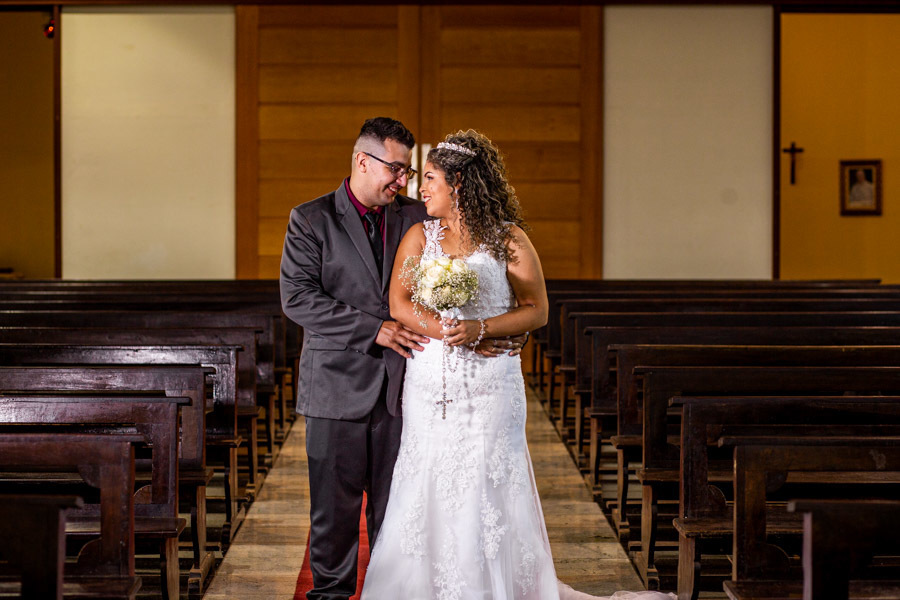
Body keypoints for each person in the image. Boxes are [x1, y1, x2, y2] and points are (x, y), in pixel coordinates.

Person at [359, 130, 673, 600]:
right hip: (432, 382)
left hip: (490, 383)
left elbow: (536, 308)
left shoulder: (508, 239)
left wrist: (481, 328)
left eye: (430, 178)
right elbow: (400, 303)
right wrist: (446, 330)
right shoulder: (418, 236)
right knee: (425, 475)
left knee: (488, 479)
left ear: (459, 183)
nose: (420, 188)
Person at [280, 118, 525, 600]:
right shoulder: (311, 219)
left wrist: (490, 331)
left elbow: (480, 284)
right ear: (361, 161)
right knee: (333, 514)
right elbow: (298, 298)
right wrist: (374, 328)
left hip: (406, 385)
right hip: (336, 386)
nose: (402, 181)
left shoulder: (420, 218)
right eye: (395, 169)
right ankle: (329, 595)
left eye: (408, 172)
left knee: (397, 513)